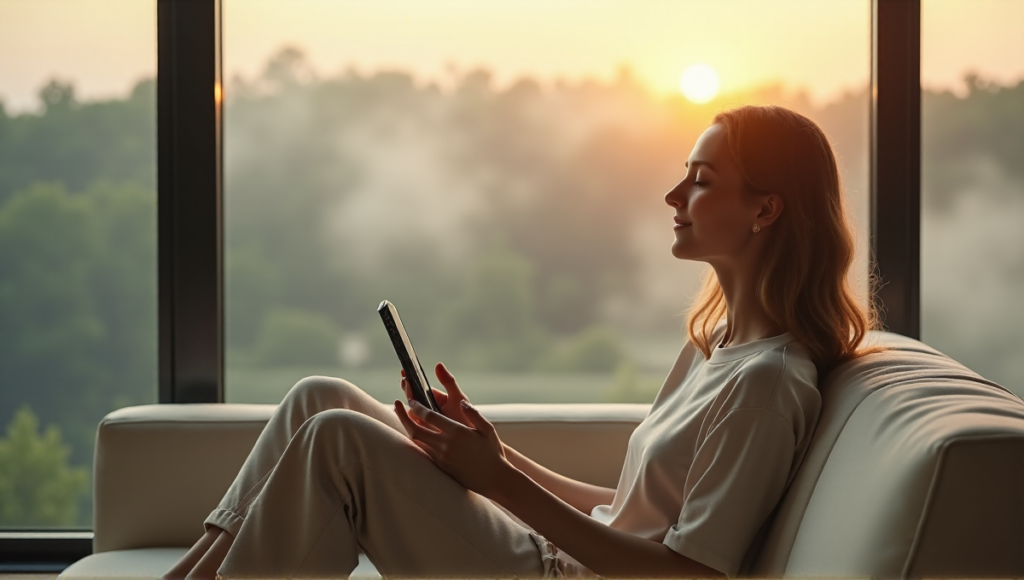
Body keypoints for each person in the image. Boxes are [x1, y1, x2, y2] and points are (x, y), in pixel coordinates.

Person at [163, 104, 877, 579]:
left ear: (765, 208)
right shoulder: (715, 343)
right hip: (559, 554)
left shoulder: (767, 386)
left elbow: (691, 573)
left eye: (700, 181)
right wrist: (493, 456)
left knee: (338, 439)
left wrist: (496, 481)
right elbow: (634, 508)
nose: (672, 197)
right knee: (316, 397)